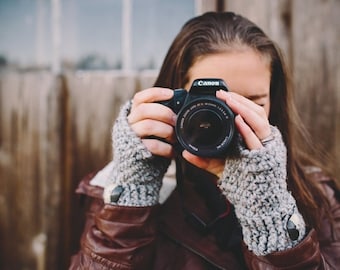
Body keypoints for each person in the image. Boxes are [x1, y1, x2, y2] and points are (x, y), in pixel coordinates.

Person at [69, 11, 340, 269]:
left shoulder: (318, 195)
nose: (229, 119)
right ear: (174, 100)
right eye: (210, 103)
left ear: (273, 99)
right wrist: (131, 197)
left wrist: (271, 211)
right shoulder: (118, 188)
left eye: (251, 103)